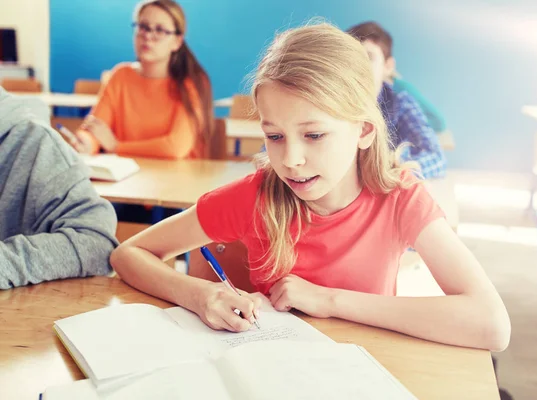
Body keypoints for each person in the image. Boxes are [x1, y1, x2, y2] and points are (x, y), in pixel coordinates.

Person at [110, 23, 510, 351]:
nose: (290, 160)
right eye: (275, 136)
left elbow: (491, 324)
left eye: (314, 135)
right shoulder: (255, 195)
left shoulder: (400, 198)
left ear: (364, 131)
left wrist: (327, 300)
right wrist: (200, 295)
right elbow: (129, 254)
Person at [0, 87, 118, 289]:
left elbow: (96, 245)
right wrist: (92, 141)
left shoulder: (33, 143)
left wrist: (116, 146)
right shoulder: (121, 77)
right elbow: (92, 130)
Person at [73, 0, 214, 160]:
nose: (147, 36)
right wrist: (86, 142)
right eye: (143, 27)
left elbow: (175, 148)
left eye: (160, 30)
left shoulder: (193, 82)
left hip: (178, 178)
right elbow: (96, 129)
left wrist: (116, 146)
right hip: (130, 176)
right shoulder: (120, 76)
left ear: (177, 41)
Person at [347, 21, 446, 179]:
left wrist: (395, 173)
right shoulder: (332, 102)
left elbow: (435, 157)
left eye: (369, 57)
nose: (360, 66)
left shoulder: (401, 103)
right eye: (353, 58)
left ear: (388, 66)